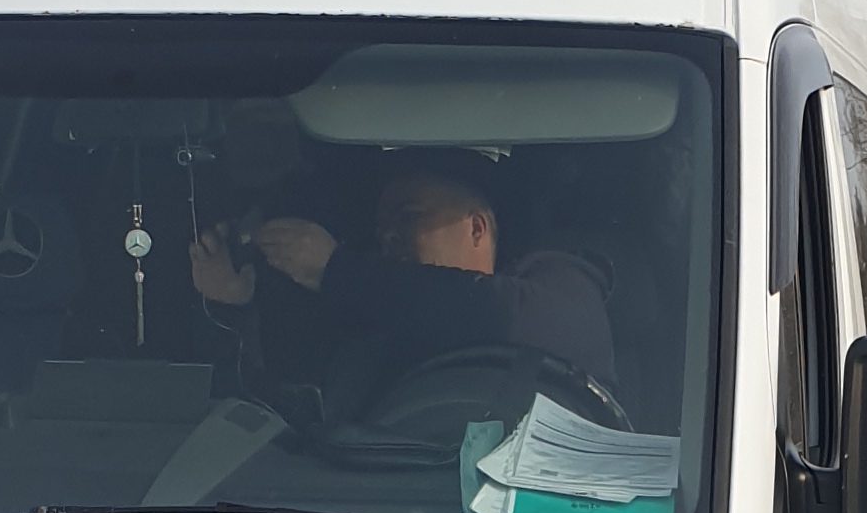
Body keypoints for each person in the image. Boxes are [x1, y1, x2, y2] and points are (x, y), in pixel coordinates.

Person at [192, 160, 616, 403]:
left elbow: (499, 313)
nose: (390, 236)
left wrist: (335, 270)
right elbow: (280, 413)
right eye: (381, 231)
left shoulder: (559, 285)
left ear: (476, 228)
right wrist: (237, 305)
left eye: (409, 216)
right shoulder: (370, 329)